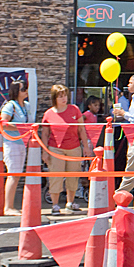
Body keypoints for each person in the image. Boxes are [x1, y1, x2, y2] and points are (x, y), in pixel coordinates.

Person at [39, 84, 91, 214]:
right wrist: (45, 151)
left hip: (74, 147)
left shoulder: (74, 109)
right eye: (60, 96)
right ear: (54, 98)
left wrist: (86, 147)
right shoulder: (49, 114)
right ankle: (55, 205)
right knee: (56, 176)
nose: (64, 99)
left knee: (73, 176)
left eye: (65, 95)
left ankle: (70, 202)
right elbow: (45, 134)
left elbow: (81, 129)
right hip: (55, 149)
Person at [0, 80, 30, 216]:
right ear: (16, 91)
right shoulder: (10, 106)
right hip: (11, 142)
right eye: (23, 89)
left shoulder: (26, 105)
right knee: (13, 174)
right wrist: (20, 127)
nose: (26, 91)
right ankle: (8, 207)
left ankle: (11, 205)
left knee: (17, 175)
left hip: (22, 142)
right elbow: (4, 123)